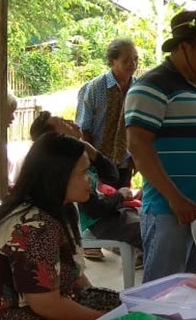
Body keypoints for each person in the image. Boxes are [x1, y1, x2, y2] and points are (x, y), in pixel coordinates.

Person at [0, 133, 119, 320]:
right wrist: (99, 319)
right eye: (82, 173)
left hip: (41, 309)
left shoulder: (61, 208)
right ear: (57, 177)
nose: (90, 180)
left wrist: (99, 303)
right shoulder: (35, 226)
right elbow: (46, 305)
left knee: (122, 310)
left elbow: (75, 273)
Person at [125, 9, 196, 282]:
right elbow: (138, 147)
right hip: (170, 211)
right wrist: (176, 199)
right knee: (162, 293)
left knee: (195, 289)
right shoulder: (152, 86)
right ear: (183, 47)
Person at [29, 113, 143, 263]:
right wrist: (120, 196)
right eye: (64, 123)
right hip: (98, 223)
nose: (72, 122)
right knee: (154, 230)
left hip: (108, 215)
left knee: (153, 222)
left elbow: (112, 175)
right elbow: (94, 210)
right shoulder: (66, 169)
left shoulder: (77, 157)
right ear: (57, 137)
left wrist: (88, 148)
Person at [76, 39, 139, 190]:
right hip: (96, 165)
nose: (133, 65)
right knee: (99, 208)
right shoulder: (94, 88)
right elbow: (83, 129)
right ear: (112, 61)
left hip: (124, 164)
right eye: (126, 61)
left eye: (136, 59)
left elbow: (140, 128)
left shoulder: (138, 89)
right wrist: (92, 162)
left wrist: (135, 160)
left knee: (121, 207)